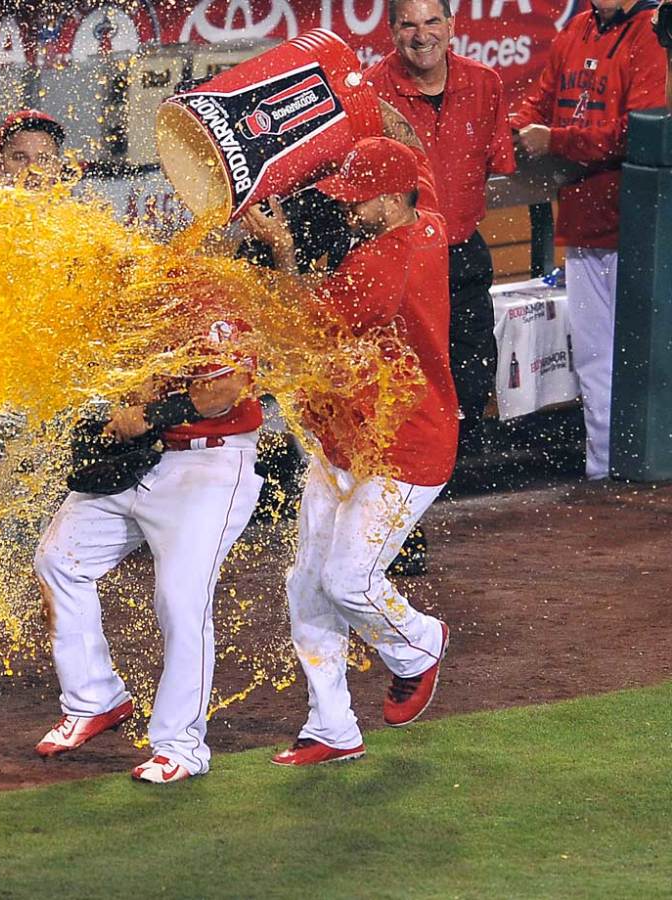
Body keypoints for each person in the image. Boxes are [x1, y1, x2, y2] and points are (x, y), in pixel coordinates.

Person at [242, 105, 456, 766]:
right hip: (345, 439)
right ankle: (331, 725)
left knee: (344, 580)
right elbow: (415, 151)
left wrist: (278, 252)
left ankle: (417, 643)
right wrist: (370, 106)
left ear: (390, 200)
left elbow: (305, 326)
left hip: (404, 450)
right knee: (305, 581)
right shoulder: (429, 220)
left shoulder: (382, 266)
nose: (348, 210)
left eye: (359, 202)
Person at [33, 306, 266, 785]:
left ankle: (181, 745)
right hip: (144, 460)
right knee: (59, 559)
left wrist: (151, 414)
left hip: (210, 467)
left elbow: (226, 390)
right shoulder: (134, 297)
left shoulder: (211, 294)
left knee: (180, 599)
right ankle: (94, 697)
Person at [509, 0, 665, 480]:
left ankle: (647, 472)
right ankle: (605, 471)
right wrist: (518, 127)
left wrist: (554, 139)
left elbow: (638, 133)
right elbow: (536, 100)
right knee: (595, 362)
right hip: (584, 224)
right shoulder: (577, 29)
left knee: (651, 364)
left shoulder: (653, 35)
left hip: (645, 230)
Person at [366, 0, 516, 455]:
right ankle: (404, 491)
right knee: (401, 381)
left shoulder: (485, 83)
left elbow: (497, 163)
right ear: (391, 30)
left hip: (462, 251)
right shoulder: (369, 91)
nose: (421, 34)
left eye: (432, 21)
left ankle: (442, 476)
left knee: (472, 378)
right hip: (399, 262)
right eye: (408, 24)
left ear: (451, 25)